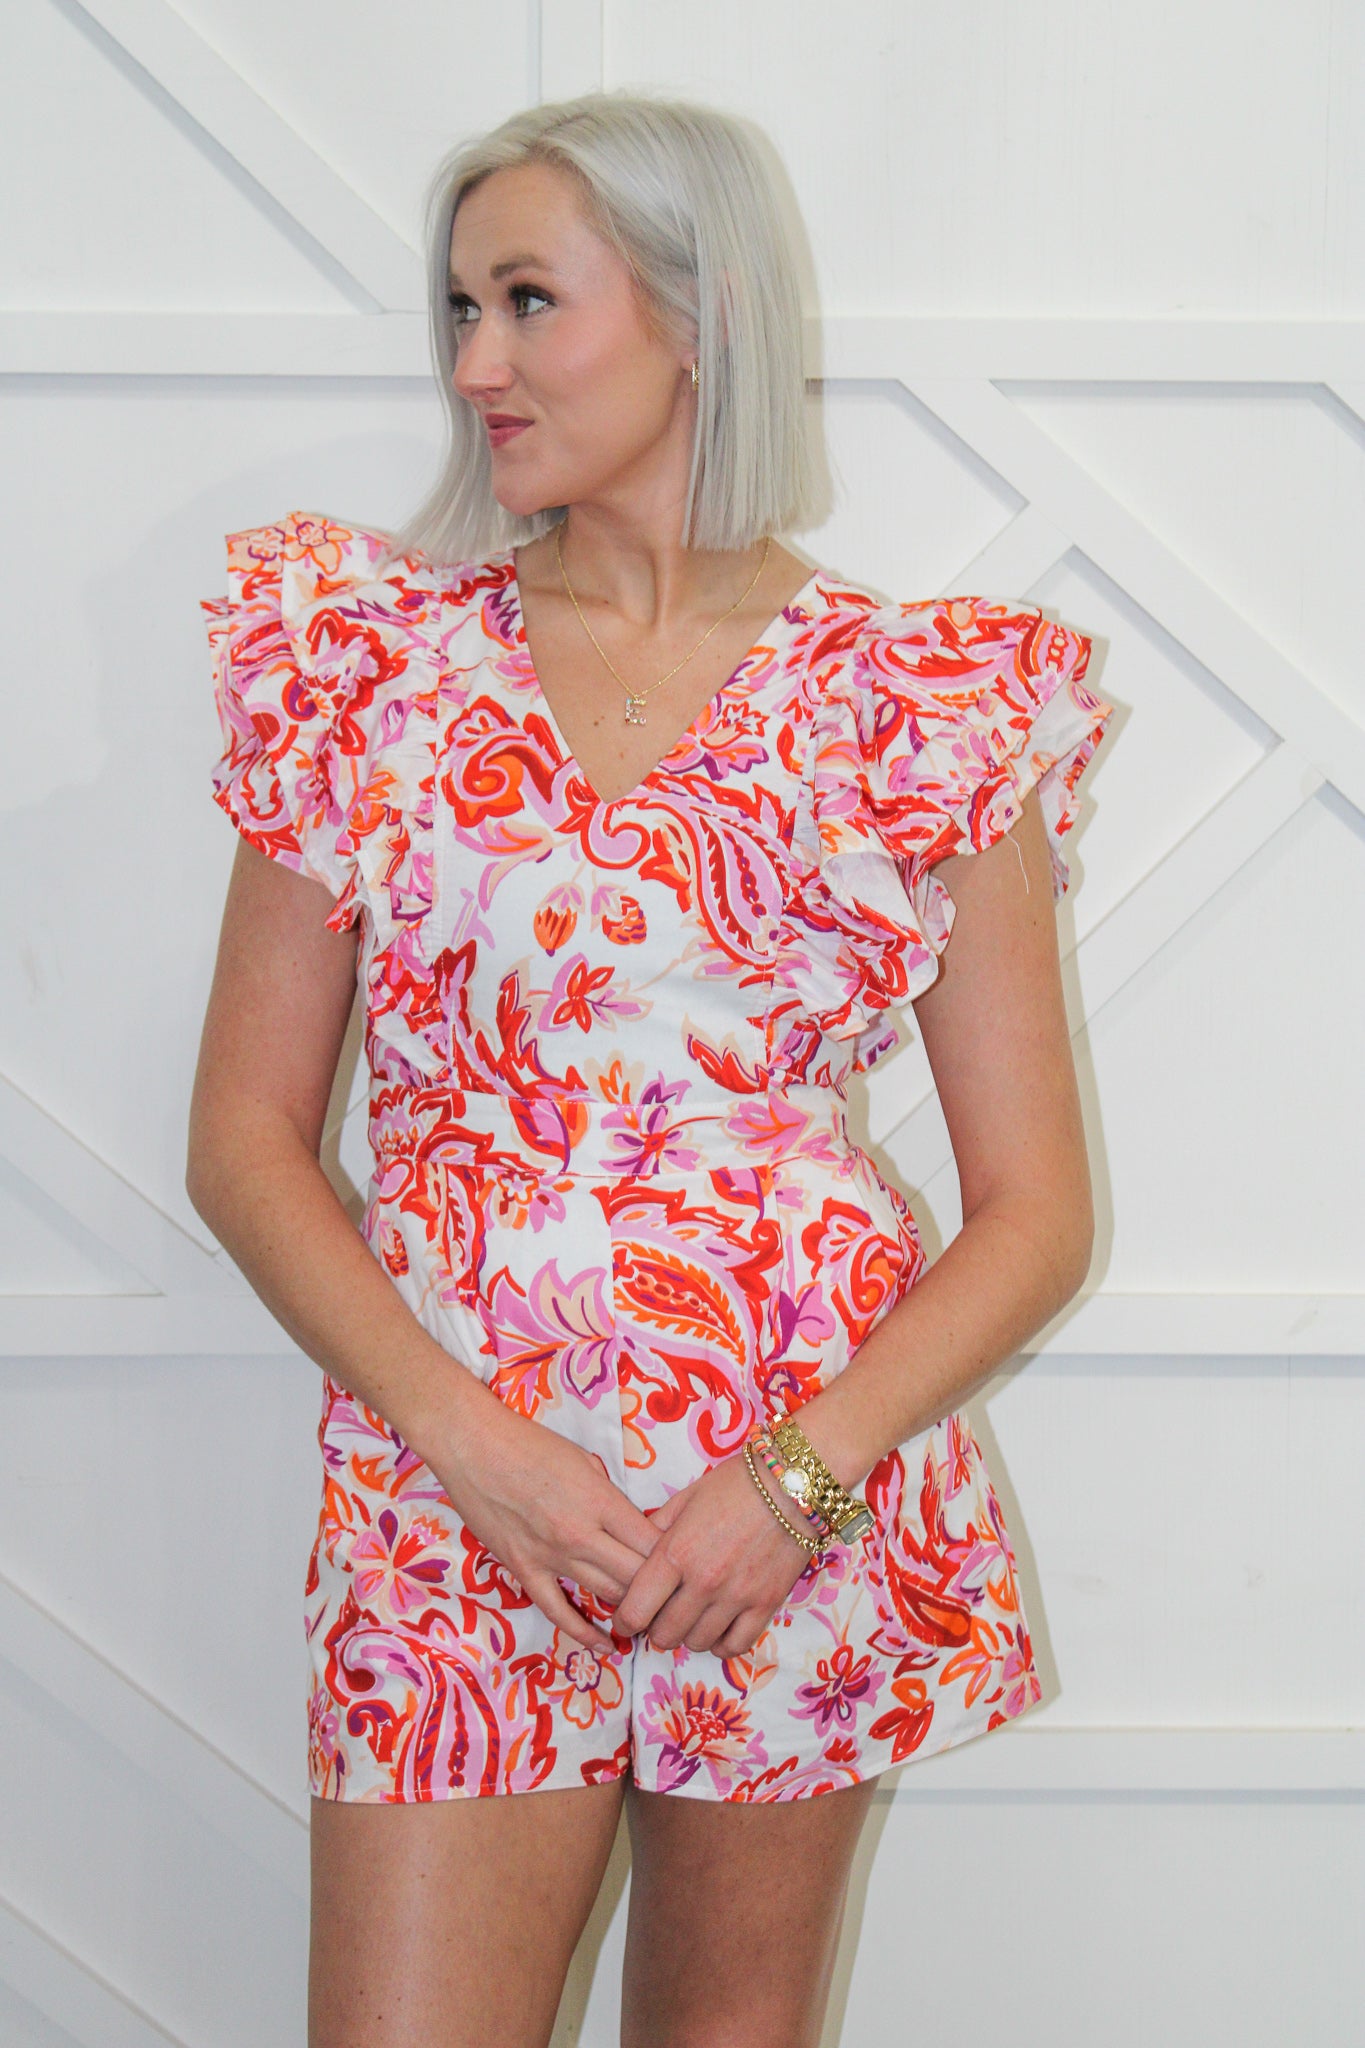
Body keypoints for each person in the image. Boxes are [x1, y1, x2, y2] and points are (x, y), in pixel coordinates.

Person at [187, 88, 1116, 2048]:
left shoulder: (918, 701)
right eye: (459, 309)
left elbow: (1034, 1212)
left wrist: (795, 1481)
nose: (474, 365)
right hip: (453, 1497)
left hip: (789, 1500)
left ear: (702, 315)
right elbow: (244, 1140)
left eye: (528, 300)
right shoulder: (364, 669)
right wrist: (471, 1446)